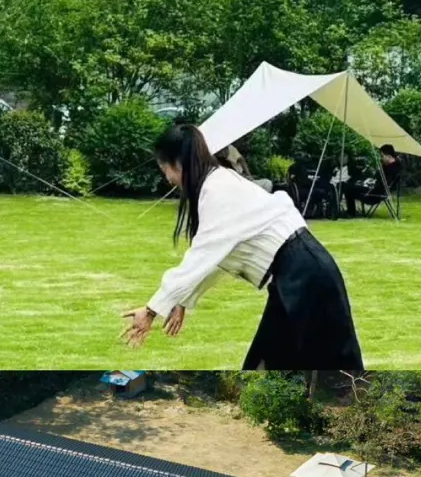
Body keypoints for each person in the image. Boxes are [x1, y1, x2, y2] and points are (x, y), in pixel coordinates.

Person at [122, 123, 364, 374]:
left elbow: (201, 257)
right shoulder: (217, 184)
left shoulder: (217, 190)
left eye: (165, 170)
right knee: (267, 363)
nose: (168, 179)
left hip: (307, 278)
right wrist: (181, 300)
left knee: (333, 370)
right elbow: (217, 260)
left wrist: (151, 310)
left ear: (178, 164)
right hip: (296, 276)